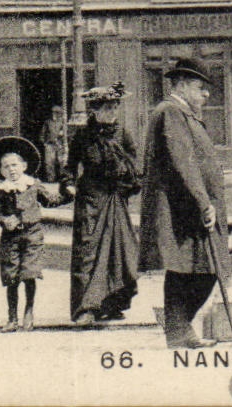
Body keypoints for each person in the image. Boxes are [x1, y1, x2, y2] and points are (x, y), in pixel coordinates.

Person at [139, 57, 227, 349]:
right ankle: (178, 328)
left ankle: (178, 327)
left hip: (188, 206)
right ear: (181, 85)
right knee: (192, 268)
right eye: (200, 88)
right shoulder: (171, 112)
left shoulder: (181, 112)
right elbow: (184, 161)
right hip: (182, 208)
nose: (206, 94)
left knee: (198, 268)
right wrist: (204, 202)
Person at [64, 84, 142, 325]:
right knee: (87, 252)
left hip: (115, 198)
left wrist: (127, 181)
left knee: (118, 250)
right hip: (90, 199)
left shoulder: (123, 134)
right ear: (95, 110)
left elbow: (135, 166)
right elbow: (69, 166)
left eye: (114, 107)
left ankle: (112, 303)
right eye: (107, 108)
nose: (112, 112)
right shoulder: (82, 136)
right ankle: (85, 308)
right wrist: (68, 184)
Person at [0, 137, 66, 331]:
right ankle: (12, 317)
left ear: (24, 166)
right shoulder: (2, 191)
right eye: (6, 167)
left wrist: (67, 192)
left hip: (32, 236)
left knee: (29, 273)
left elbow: (50, 200)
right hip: (10, 239)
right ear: (1, 171)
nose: (11, 170)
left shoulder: (33, 185)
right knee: (11, 276)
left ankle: (29, 311)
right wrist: (5, 220)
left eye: (14, 165)